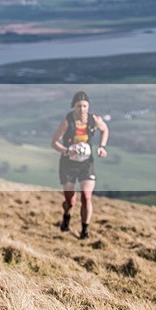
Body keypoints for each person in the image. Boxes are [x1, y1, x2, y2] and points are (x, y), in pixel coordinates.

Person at [51, 91, 109, 240]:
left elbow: (105, 130)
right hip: (68, 164)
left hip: (86, 163)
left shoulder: (94, 120)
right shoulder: (67, 122)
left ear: (88, 106)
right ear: (73, 106)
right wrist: (66, 150)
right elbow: (54, 142)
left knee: (86, 197)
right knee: (70, 201)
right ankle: (66, 215)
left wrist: (102, 146)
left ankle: (85, 231)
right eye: (78, 106)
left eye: (85, 106)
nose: (82, 109)